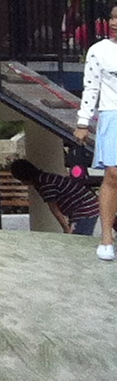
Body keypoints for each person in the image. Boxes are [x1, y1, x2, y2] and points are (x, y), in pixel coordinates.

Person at [79, 22, 117, 262]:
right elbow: (91, 86)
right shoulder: (99, 50)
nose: (114, 23)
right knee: (113, 174)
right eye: (113, 18)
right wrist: (83, 122)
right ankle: (106, 239)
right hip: (111, 114)